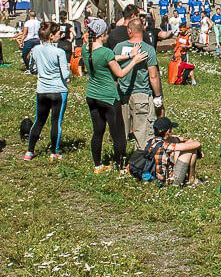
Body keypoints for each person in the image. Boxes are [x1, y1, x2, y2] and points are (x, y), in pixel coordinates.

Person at [84, 17, 148, 175]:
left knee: (98, 132)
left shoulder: (86, 49)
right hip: (108, 98)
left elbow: (110, 60)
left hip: (92, 95)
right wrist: (135, 60)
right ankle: (121, 166)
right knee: (118, 134)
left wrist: (129, 56)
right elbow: (119, 73)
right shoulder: (105, 52)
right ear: (103, 33)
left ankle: (97, 165)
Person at [24, 22, 71, 161]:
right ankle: (54, 152)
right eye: (58, 34)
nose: (60, 36)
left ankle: (29, 151)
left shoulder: (35, 50)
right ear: (51, 36)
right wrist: (67, 70)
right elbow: (65, 75)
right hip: (58, 90)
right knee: (56, 122)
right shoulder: (59, 52)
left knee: (39, 120)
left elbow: (32, 69)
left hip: (42, 90)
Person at [115, 18, 162, 151]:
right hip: (141, 94)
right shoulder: (148, 49)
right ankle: (140, 162)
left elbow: (111, 65)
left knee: (121, 130)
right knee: (142, 132)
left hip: (122, 94)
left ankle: (120, 159)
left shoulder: (119, 47)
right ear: (142, 31)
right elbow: (153, 76)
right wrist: (157, 95)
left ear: (129, 31)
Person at [146, 117, 202, 187]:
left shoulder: (153, 141)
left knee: (186, 145)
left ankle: (191, 178)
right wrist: (199, 149)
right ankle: (191, 179)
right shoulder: (166, 145)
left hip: (156, 177)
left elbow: (181, 139)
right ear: (168, 131)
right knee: (190, 150)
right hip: (168, 181)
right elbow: (197, 144)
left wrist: (175, 137)